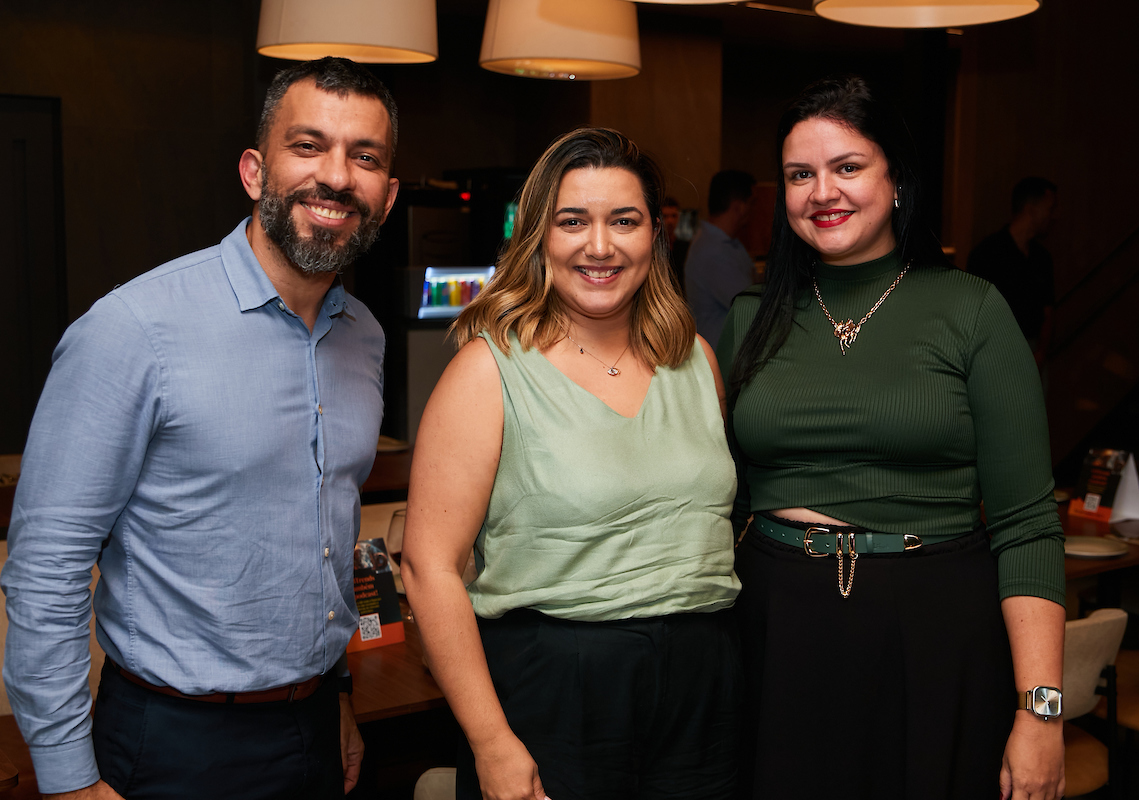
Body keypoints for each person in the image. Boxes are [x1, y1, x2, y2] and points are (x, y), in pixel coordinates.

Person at [1, 57, 400, 799]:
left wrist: (337, 690)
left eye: (365, 157)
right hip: (171, 745)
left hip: (313, 726)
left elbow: (323, 539)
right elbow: (45, 569)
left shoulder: (365, 338)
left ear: (387, 193)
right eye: (308, 146)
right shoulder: (133, 330)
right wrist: (65, 778)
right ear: (254, 171)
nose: (338, 177)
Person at [717, 75, 1066, 800]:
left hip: (933, 624)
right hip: (775, 624)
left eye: (847, 167)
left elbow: (1027, 525)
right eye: (799, 175)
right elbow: (720, 500)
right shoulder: (752, 316)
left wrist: (1042, 711)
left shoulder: (970, 309)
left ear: (897, 180)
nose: (823, 192)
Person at [400, 127, 741, 800]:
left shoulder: (697, 361)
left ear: (656, 233)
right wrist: (491, 742)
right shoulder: (487, 370)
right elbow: (428, 567)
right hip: (555, 693)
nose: (600, 246)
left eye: (625, 221)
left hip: (705, 690)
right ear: (538, 237)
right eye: (573, 221)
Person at [967, 177, 1058, 366]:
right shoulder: (987, 254)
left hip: (1034, 353)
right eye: (1049, 209)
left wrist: (1040, 353)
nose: (1052, 216)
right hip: (995, 353)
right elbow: (973, 313)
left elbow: (1048, 311)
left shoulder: (1042, 257)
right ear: (1031, 208)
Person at [684, 170, 756, 344]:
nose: (753, 210)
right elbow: (750, 307)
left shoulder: (724, 242)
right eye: (752, 203)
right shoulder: (712, 250)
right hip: (719, 356)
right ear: (739, 206)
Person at [661, 195, 690, 286]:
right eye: (665, 216)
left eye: (674, 216)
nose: (670, 221)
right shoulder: (653, 247)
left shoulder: (686, 246)